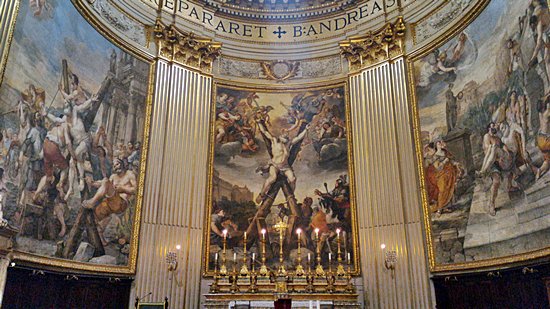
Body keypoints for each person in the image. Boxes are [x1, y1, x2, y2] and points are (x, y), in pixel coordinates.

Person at [82, 158, 137, 244]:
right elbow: (102, 184)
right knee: (97, 217)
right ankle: (101, 240)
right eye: (114, 166)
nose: (116, 167)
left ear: (122, 164)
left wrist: (123, 188)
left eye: (117, 164)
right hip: (111, 203)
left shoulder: (129, 174)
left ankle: (92, 202)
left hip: (121, 203)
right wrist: (92, 183)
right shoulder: (113, 177)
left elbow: (136, 190)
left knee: (105, 181)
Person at [255, 119, 310, 204]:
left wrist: (306, 130)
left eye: (287, 134)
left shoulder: (288, 143)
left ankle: (290, 196)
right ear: (281, 135)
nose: (286, 134)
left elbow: (299, 138)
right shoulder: (274, 140)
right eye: (285, 133)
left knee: (293, 179)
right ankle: (262, 194)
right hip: (275, 165)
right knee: (272, 179)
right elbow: (265, 132)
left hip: (285, 166)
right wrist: (259, 123)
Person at [537, 101, 550, 179]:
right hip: (546, 140)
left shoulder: (540, 114)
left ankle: (540, 170)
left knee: (547, 160)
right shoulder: (547, 113)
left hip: (540, 139)